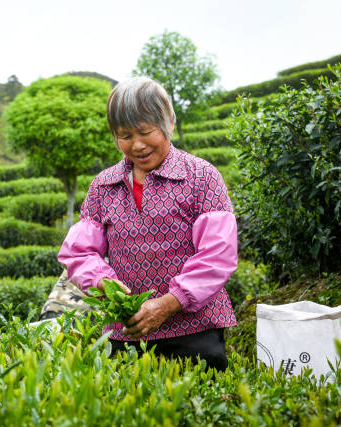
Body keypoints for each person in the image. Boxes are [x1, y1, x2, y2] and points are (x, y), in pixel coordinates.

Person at [57, 76, 238, 371]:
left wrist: (170, 302)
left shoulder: (201, 176)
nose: (137, 145)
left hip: (194, 332)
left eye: (145, 131)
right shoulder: (104, 186)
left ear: (167, 123)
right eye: (125, 135)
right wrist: (103, 282)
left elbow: (217, 256)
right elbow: (79, 253)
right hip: (125, 333)